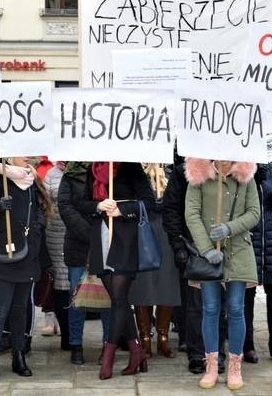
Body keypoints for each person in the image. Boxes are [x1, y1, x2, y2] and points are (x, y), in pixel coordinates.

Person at [185, 158, 260, 390]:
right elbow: (192, 214)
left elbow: (254, 213)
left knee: (237, 308)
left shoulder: (246, 176)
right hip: (209, 254)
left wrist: (230, 227)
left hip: (239, 250)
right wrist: (206, 248)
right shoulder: (199, 175)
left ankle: (235, 365)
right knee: (209, 308)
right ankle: (212, 364)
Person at [82, 162, 154, 380]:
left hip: (125, 241)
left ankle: (108, 358)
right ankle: (137, 352)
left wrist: (123, 209)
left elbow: (149, 202)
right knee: (119, 302)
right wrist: (97, 206)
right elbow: (82, 203)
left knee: (119, 298)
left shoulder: (131, 167)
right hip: (101, 239)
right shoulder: (92, 169)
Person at [0, 157, 51, 381]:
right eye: (22, 152)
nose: (27, 156)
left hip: (28, 252)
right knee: (1, 307)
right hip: (4, 251)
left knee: (20, 308)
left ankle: (19, 354)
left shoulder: (31, 177)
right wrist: (0, 207)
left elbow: (41, 207)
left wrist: (38, 227)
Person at [57, 161, 111, 366]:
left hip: (108, 241)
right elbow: (65, 206)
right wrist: (90, 235)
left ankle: (108, 344)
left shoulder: (112, 171)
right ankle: (75, 345)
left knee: (108, 296)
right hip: (79, 244)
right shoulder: (72, 173)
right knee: (77, 296)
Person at [131, 163, 181, 360]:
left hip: (166, 231)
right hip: (142, 231)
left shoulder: (171, 172)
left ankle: (163, 336)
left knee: (166, 283)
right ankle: (144, 337)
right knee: (142, 284)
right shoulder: (134, 171)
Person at [163, 154, 206, 374]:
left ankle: (217, 351)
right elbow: (171, 209)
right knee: (194, 304)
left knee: (222, 306)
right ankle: (196, 352)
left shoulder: (229, 170)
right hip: (190, 246)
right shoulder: (183, 172)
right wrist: (178, 245)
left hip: (222, 247)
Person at [244, 163, 272, 363]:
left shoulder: (271, 170)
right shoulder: (240, 167)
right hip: (249, 236)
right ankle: (248, 345)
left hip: (271, 236)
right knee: (247, 293)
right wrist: (254, 178)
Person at [42, 161, 70, 350]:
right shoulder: (51, 174)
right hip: (55, 235)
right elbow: (45, 201)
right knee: (60, 283)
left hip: (78, 233)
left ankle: (75, 333)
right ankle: (66, 335)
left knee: (77, 282)